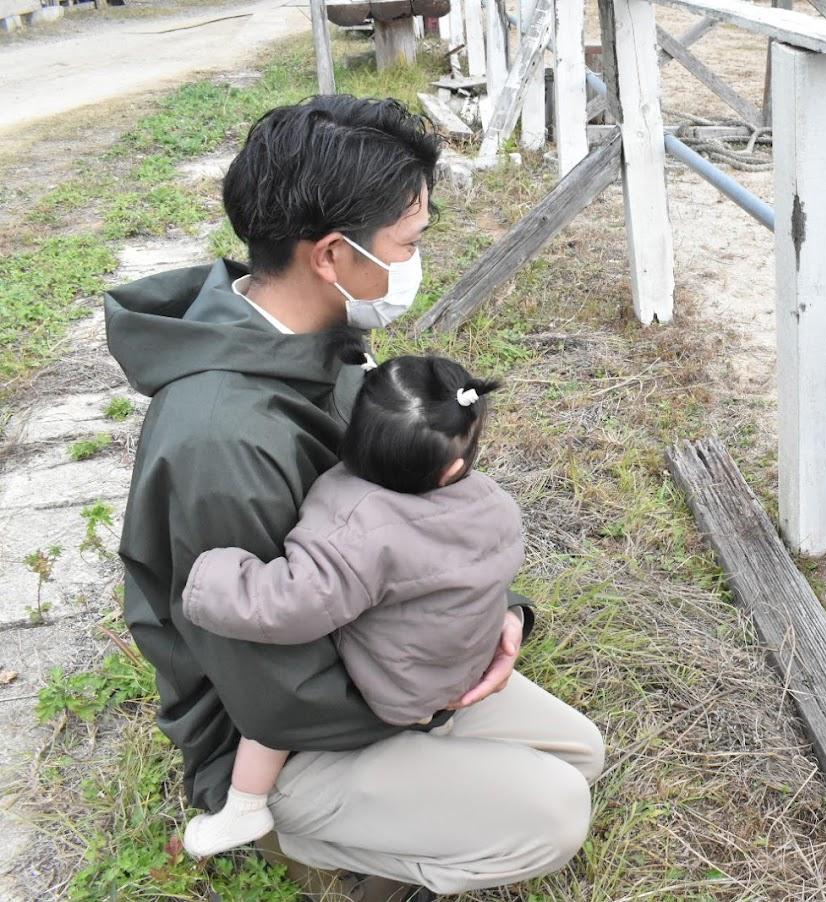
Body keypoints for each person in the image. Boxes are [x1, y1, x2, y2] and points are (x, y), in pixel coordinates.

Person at [107, 95, 604, 899]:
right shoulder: (220, 441)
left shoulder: (320, 341)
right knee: (551, 815)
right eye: (408, 244)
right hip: (277, 736)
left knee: (579, 753)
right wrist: (431, 702)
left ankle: (411, 798)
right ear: (332, 256)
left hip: (369, 656)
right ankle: (317, 849)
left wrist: (498, 616)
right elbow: (271, 681)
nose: (414, 262)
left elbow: (402, 513)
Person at [178, 354, 519, 859]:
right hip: (465, 664)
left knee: (266, 726)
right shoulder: (493, 501)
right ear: (453, 467)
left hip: (399, 691)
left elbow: (289, 605)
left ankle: (245, 807)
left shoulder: (356, 528)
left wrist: (209, 577)